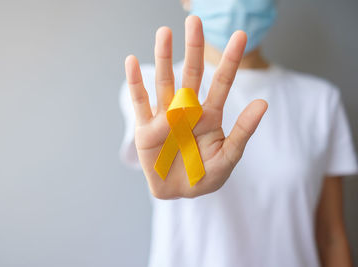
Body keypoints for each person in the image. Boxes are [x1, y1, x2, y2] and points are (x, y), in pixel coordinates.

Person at [119, 0, 358, 266]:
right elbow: (157, 156)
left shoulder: (320, 101)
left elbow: (331, 236)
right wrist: (173, 165)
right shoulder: (155, 91)